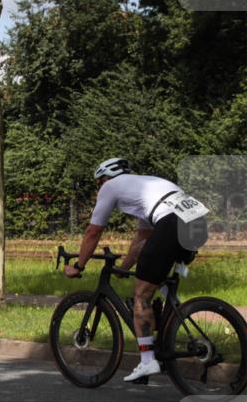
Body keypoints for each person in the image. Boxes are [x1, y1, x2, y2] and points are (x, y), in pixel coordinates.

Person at [64, 158, 209, 382]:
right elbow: (142, 241)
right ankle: (172, 313)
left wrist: (78, 266)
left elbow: (93, 232)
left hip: (172, 224)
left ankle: (147, 360)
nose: (99, 187)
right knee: (152, 267)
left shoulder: (110, 187)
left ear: (104, 178)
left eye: (98, 182)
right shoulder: (146, 187)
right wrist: (123, 269)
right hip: (197, 223)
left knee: (141, 295)